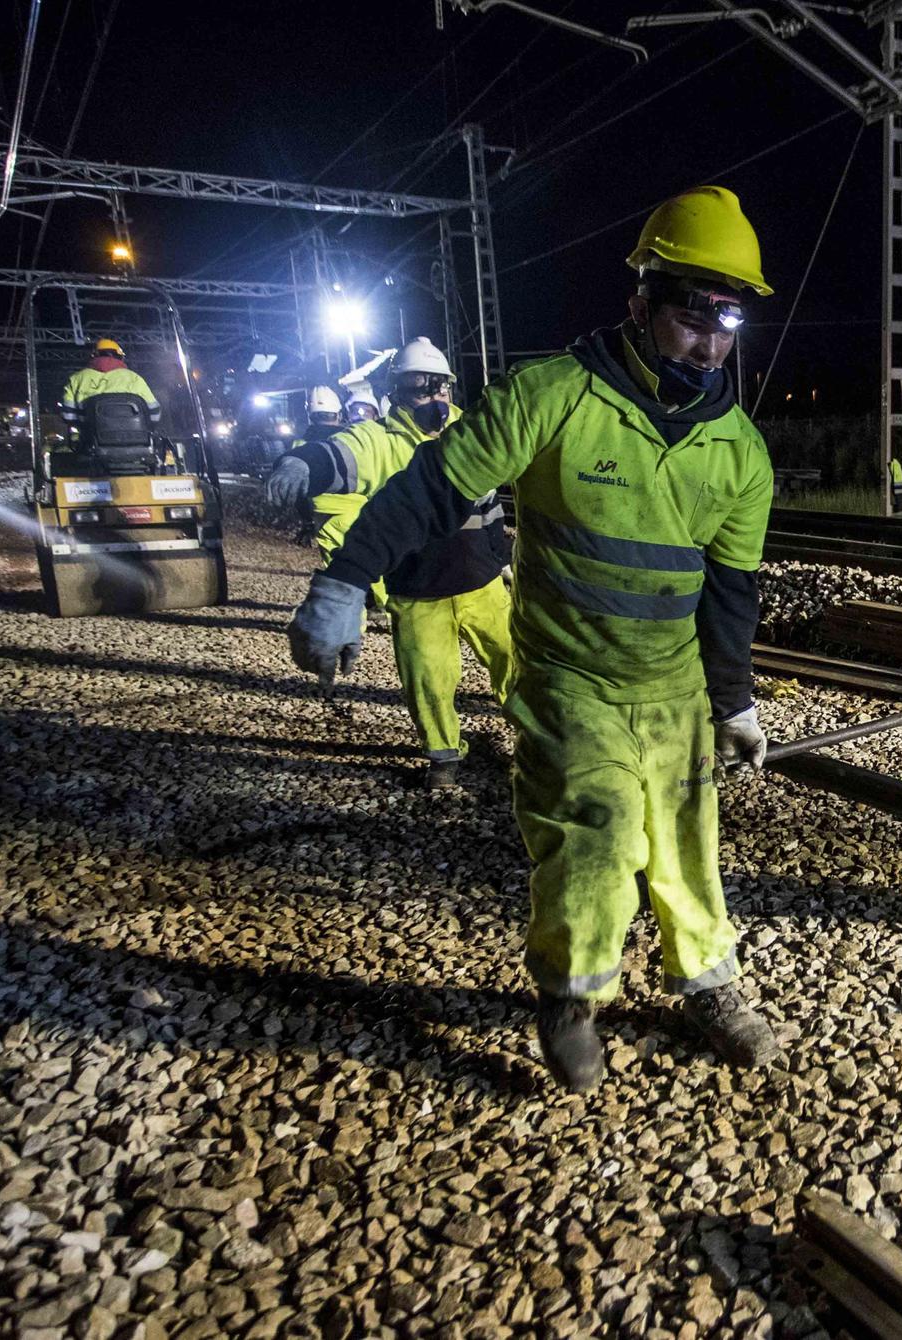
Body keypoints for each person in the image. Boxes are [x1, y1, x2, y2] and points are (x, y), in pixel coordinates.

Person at [286, 187, 781, 1087]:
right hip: (569, 680)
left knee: (686, 840)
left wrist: (735, 700)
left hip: (670, 689)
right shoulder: (551, 398)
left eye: (729, 318)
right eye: (692, 312)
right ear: (641, 302)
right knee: (592, 834)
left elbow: (730, 594)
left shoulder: (740, 451)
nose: (710, 340)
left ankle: (709, 984)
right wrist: (345, 579)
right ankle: (570, 994)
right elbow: (429, 490)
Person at [269, 342, 514, 787]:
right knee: (428, 680)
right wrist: (303, 461)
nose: (435, 398)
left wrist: (505, 561)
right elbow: (339, 454)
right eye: (421, 388)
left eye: (441, 387)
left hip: (482, 584)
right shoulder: (381, 440)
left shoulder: (470, 431)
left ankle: (537, 741)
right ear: (396, 393)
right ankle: (444, 759)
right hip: (418, 592)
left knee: (516, 662)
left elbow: (494, 505)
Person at [58, 338, 159, 411]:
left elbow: (68, 415)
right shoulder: (134, 378)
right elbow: (154, 413)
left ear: (93, 356)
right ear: (120, 357)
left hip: (90, 438)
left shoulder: (76, 379)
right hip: (135, 437)